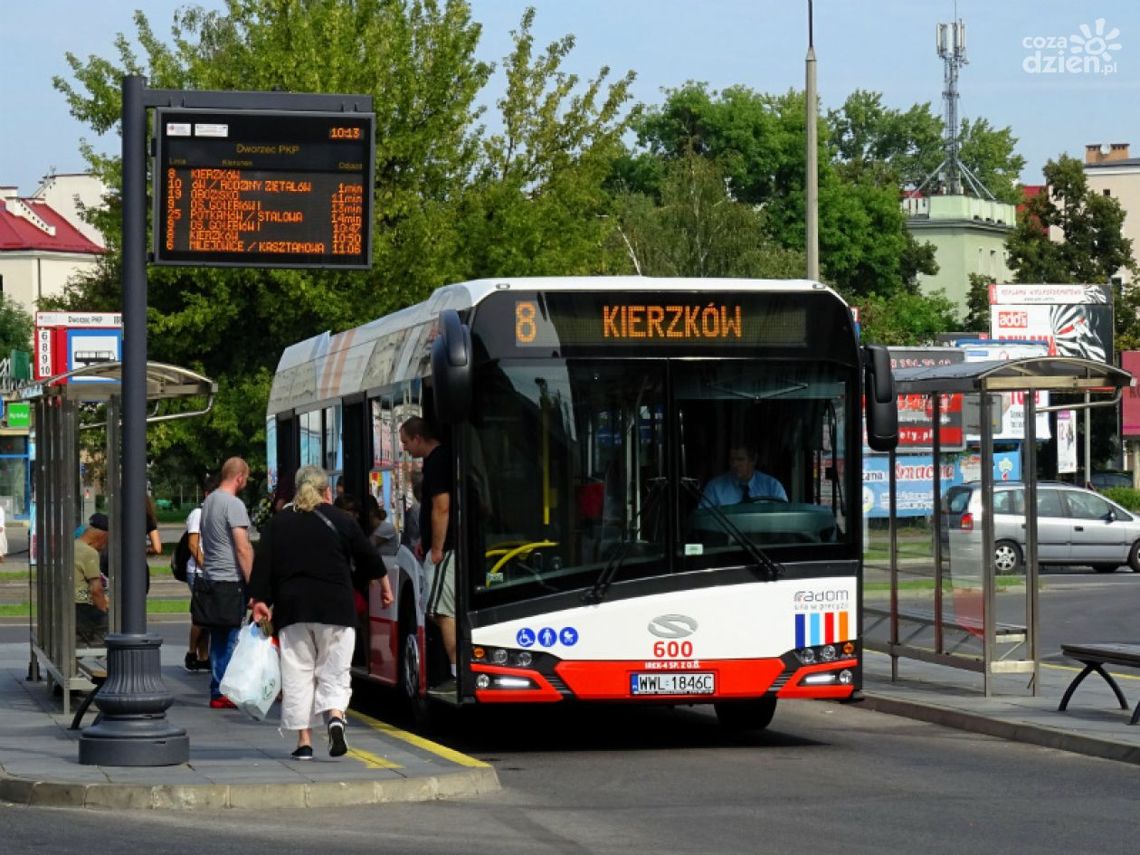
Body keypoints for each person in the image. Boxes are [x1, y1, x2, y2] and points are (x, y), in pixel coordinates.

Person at [249, 465, 391, 760]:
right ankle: (336, 718)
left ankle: (304, 742)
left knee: (298, 672)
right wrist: (385, 587)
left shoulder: (279, 523)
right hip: (336, 607)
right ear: (326, 491)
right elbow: (369, 556)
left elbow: (264, 564)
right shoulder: (342, 520)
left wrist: (259, 600)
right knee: (334, 670)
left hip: (293, 609)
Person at [399, 416, 455, 688]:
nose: (405, 448)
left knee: (440, 610)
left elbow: (441, 506)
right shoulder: (437, 460)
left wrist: (437, 547)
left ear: (418, 438)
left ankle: (456, 669)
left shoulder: (437, 462)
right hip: (437, 545)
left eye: (406, 442)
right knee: (436, 608)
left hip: (444, 550)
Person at [199, 457, 254, 709]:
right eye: (246, 478)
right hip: (230, 579)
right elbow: (242, 548)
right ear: (239, 477)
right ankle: (223, 690)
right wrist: (253, 583)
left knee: (218, 638)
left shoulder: (209, 502)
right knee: (230, 637)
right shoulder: (234, 504)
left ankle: (217, 687)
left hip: (211, 578)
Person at [182, 476, 216, 673]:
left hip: (207, 571)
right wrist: (206, 567)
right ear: (207, 495)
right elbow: (193, 544)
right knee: (201, 615)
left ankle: (204, 656)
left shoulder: (214, 513)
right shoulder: (198, 513)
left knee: (207, 617)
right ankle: (192, 652)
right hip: (198, 571)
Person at [701, 443, 787, 507]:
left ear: (753, 460)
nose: (734, 464)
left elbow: (783, 519)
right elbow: (703, 520)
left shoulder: (772, 486)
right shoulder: (714, 488)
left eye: (740, 459)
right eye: (732, 460)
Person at [75, 513, 110, 647]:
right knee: (111, 627)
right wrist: (104, 609)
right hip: (82, 608)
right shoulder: (90, 553)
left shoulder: (74, 546)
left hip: (71, 606)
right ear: (101, 536)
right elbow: (96, 590)